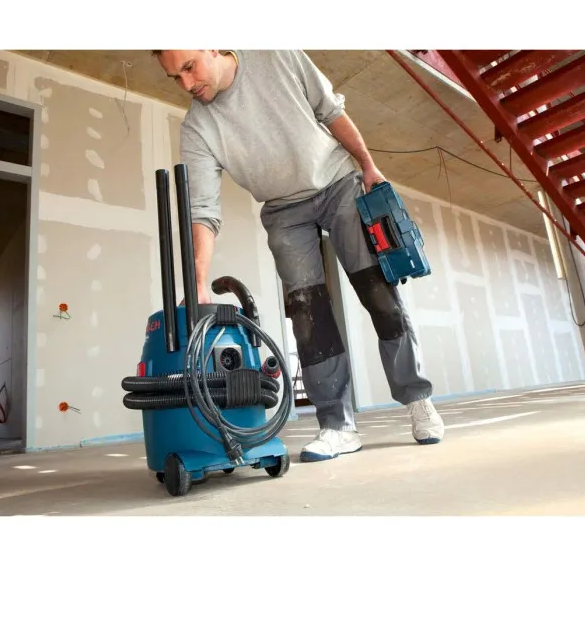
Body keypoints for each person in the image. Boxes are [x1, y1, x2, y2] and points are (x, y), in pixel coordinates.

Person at [152, 49, 444, 462]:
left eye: (188, 67)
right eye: (174, 77)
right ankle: (337, 425)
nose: (186, 84)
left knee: (377, 291)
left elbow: (330, 110)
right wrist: (198, 280)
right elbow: (203, 209)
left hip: (337, 183)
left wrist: (368, 165)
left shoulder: (275, 54)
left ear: (213, 46)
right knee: (308, 314)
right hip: (283, 210)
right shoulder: (198, 127)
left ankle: (417, 399)